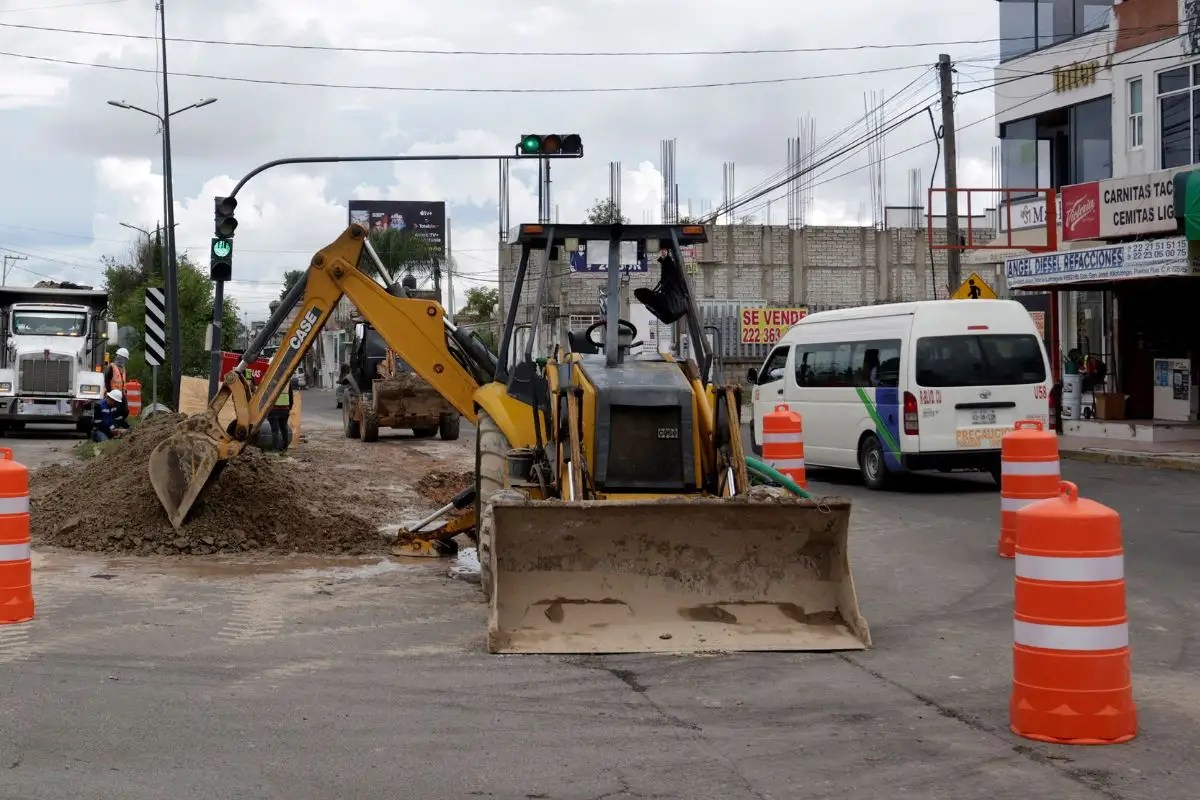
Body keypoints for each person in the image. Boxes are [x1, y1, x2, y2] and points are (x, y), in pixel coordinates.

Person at [268, 373, 299, 453]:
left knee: (275, 430)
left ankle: (275, 449)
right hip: (285, 409)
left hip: (273, 409)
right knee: (284, 428)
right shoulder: (287, 381)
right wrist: (289, 408)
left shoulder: (271, 380)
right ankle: (284, 447)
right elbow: (290, 396)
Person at [105, 347, 130, 420]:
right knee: (113, 410)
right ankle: (113, 422)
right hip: (113, 393)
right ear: (119, 357)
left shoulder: (123, 368)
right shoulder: (111, 367)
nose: (124, 360)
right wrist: (109, 392)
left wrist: (125, 392)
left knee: (125, 410)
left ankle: (118, 421)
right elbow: (107, 380)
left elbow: (123, 381)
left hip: (121, 393)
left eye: (125, 359)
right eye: (123, 358)